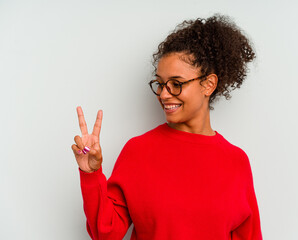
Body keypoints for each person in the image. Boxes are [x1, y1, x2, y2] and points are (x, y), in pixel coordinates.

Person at [71, 14, 262, 240]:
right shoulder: (138, 151)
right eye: (160, 84)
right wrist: (91, 173)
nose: (163, 94)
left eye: (176, 84)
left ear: (208, 84)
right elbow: (106, 233)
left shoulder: (236, 162)